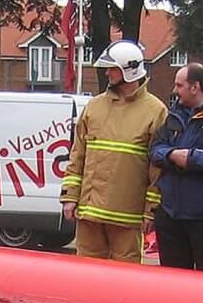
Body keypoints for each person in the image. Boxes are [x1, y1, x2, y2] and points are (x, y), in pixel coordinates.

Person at [60, 40, 167, 262]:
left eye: (112, 68)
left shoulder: (156, 112)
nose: (107, 73)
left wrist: (151, 211)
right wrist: (70, 196)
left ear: (129, 70)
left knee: (125, 276)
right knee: (86, 273)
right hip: (89, 213)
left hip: (127, 216)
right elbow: (77, 156)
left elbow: (157, 169)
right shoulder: (94, 106)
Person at [149, 62, 203, 272]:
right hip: (170, 214)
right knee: (173, 279)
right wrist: (171, 155)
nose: (174, 90)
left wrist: (192, 159)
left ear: (195, 87)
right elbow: (155, 150)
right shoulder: (174, 116)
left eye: (179, 85)